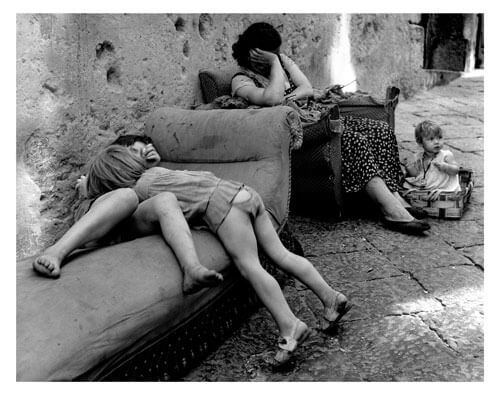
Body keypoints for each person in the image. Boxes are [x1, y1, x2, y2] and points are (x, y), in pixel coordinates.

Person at [51, 144, 352, 365]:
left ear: (110, 183)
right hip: (244, 192)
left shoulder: (141, 190)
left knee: (250, 267)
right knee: (281, 254)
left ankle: (289, 325)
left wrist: (86, 189)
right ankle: (330, 297)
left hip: (223, 205)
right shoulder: (157, 172)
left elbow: (130, 213)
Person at [230, 22, 430, 235]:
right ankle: (390, 209)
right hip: (297, 134)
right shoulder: (242, 80)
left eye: (276, 54)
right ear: (253, 54)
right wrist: (276, 66)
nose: (276, 58)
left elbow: (306, 87)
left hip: (314, 119)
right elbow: (273, 98)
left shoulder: (280, 63)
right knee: (353, 139)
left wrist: (283, 70)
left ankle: (394, 195)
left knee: (379, 130)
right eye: (270, 55)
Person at [33, 134, 224, 294]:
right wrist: (89, 189)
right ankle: (56, 252)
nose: (140, 158)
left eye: (143, 154)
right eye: (133, 152)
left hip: (125, 227)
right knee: (127, 196)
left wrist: (152, 166)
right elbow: (114, 189)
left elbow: (159, 188)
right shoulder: (97, 180)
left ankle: (191, 268)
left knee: (166, 198)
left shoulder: (146, 177)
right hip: (97, 226)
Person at [403, 120, 461, 200]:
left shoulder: (446, 155)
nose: (437, 142)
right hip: (425, 188)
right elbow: (416, 175)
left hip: (443, 187)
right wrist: (409, 167)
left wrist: (445, 167)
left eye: (440, 138)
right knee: (406, 185)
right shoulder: (419, 157)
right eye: (431, 139)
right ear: (420, 143)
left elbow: (456, 170)